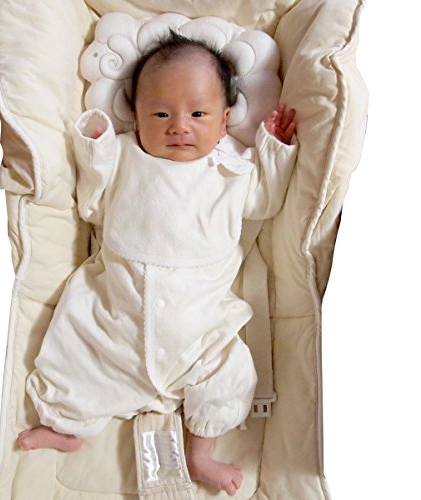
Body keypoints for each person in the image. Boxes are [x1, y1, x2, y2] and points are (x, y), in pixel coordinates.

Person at [17, 31, 297, 496]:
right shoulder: (125, 156)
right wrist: (95, 147)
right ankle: (65, 424)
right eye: (161, 114)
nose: (178, 127)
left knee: (231, 371)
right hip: (116, 313)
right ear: (136, 116)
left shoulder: (230, 172)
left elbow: (266, 202)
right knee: (73, 348)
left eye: (198, 114)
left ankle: (199, 453)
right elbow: (93, 205)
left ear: (225, 121)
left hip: (198, 327)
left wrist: (276, 150)